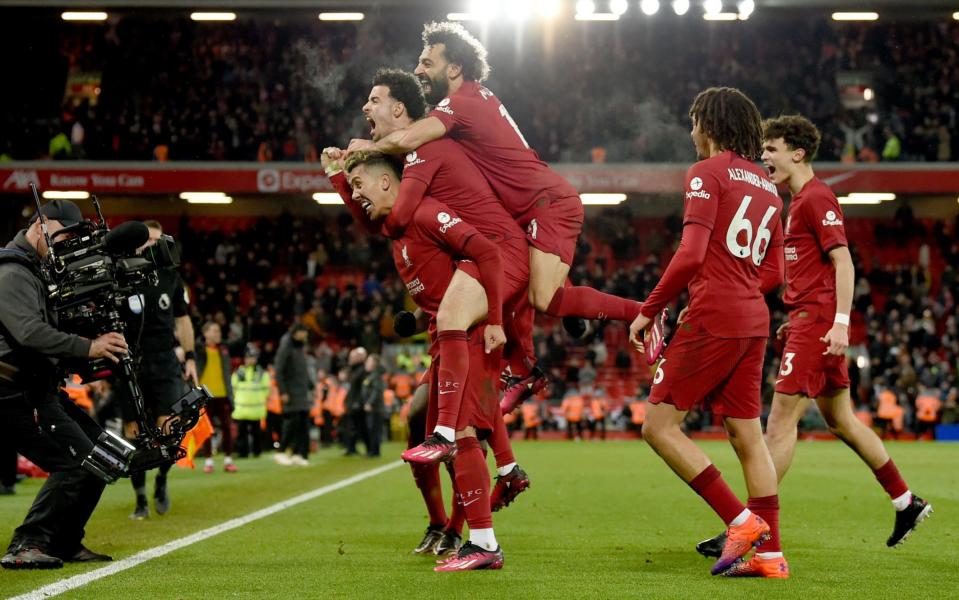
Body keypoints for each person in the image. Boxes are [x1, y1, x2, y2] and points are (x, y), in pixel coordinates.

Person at [696, 115, 932, 566]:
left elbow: (844, 262)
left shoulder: (816, 197)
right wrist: (802, 314)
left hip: (820, 323)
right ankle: (906, 501)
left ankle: (749, 527)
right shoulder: (796, 203)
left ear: (798, 153)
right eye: (762, 149)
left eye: (772, 149)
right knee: (842, 420)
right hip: (809, 320)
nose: (764, 157)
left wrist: (837, 321)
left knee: (779, 424)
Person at [347, 22, 646, 352]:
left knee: (544, 297)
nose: (418, 69)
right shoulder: (473, 98)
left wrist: (366, 148)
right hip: (525, 208)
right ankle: (536, 352)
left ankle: (644, 313)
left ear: (456, 67)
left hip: (545, 204)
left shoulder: (458, 105)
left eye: (428, 63)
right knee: (527, 281)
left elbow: (409, 139)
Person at [325, 68, 540, 459]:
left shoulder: (425, 146)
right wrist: (347, 178)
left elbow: (396, 221)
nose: (365, 106)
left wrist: (348, 176)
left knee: (459, 425)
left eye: (374, 100)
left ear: (399, 107)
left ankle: (492, 479)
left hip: (494, 257)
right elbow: (384, 225)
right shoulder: (405, 155)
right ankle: (466, 502)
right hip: (476, 268)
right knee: (421, 415)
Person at [628, 87, 788, 578]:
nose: (691, 130)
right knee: (747, 436)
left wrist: (650, 308)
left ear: (710, 125)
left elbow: (692, 254)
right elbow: (775, 273)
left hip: (717, 315)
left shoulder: (705, 174)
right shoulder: (768, 186)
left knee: (658, 425)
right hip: (752, 319)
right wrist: (735, 289)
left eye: (694, 120)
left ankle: (740, 522)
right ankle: (771, 556)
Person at [345, 150, 506, 570]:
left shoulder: (427, 213)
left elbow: (486, 255)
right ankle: (442, 523)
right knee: (418, 421)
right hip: (439, 339)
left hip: (469, 336)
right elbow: (440, 283)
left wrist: (495, 321)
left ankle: (470, 533)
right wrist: (417, 319)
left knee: (457, 434)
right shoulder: (394, 229)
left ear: (386, 183)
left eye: (359, 184)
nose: (355, 194)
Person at [0, 199, 127, 568]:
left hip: (34, 388)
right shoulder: (12, 270)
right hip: (11, 392)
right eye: (62, 234)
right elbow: (29, 333)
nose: (66, 243)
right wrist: (89, 347)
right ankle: (27, 544)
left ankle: (66, 541)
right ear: (40, 225)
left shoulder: (35, 269)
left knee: (102, 457)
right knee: (75, 463)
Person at [118, 219, 197, 520]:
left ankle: (162, 480)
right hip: (131, 362)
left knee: (169, 430)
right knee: (134, 434)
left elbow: (183, 319)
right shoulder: (121, 275)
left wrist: (189, 357)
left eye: (156, 241)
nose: (152, 246)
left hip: (164, 360)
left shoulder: (170, 277)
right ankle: (140, 498)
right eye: (147, 241)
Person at [196, 322, 237, 473]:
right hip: (205, 396)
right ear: (205, 333)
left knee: (227, 428)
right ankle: (208, 461)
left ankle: (228, 460)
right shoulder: (198, 349)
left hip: (223, 395)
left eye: (218, 330)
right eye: (214, 330)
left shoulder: (223, 349)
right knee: (207, 430)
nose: (218, 333)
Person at [274, 324, 313, 466]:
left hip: (301, 392)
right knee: (291, 423)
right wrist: (283, 391)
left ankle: (298, 453)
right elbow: (279, 371)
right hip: (291, 392)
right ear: (296, 333)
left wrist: (310, 384)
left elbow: (302, 369)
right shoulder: (286, 347)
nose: (305, 336)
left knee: (302, 423)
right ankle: (281, 451)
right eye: (303, 332)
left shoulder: (300, 348)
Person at [231, 344, 271, 459]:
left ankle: (257, 452)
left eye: (252, 357)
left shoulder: (261, 373)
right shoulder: (239, 372)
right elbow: (233, 387)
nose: (250, 360)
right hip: (242, 409)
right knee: (241, 433)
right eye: (248, 357)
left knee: (256, 433)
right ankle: (242, 452)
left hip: (255, 409)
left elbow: (266, 389)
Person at [361, 354, 386, 457]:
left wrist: (369, 403)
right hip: (374, 407)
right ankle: (373, 450)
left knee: (374, 429)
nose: (366, 363)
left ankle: (374, 451)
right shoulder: (371, 375)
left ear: (374, 364)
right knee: (372, 429)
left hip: (376, 408)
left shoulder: (376, 376)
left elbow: (376, 391)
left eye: (369, 361)